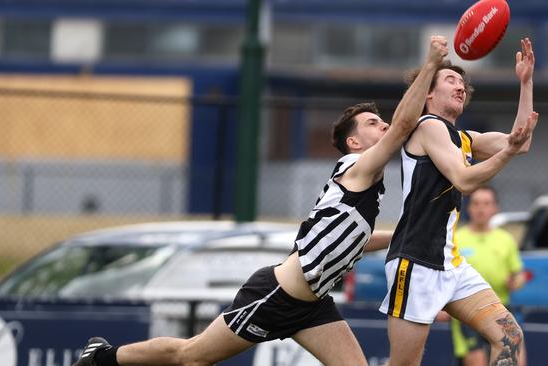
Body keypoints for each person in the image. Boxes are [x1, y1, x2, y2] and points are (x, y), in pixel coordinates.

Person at [72, 35, 449, 366]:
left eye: (380, 121)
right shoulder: (356, 165)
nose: (382, 125)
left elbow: (353, 242)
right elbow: (402, 127)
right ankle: (103, 358)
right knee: (191, 355)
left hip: (313, 304)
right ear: (353, 143)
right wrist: (429, 67)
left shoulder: (368, 186)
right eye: (372, 123)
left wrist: (399, 235)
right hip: (278, 293)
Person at [380, 38, 537, 366]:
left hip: (450, 263)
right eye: (450, 80)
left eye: (463, 83)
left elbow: (518, 143)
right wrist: (508, 152)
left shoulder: (465, 139)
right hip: (416, 261)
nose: (460, 86)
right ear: (429, 95)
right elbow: (464, 180)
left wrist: (526, 82)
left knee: (509, 336)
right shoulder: (427, 126)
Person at [450, 186, 527, 366]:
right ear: (468, 208)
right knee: (476, 361)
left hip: (501, 308)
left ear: (495, 208)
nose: (481, 209)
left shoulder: (505, 239)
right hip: (468, 311)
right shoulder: (455, 238)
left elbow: (519, 274)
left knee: (516, 359)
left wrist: (515, 282)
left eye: (486, 204)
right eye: (476, 204)